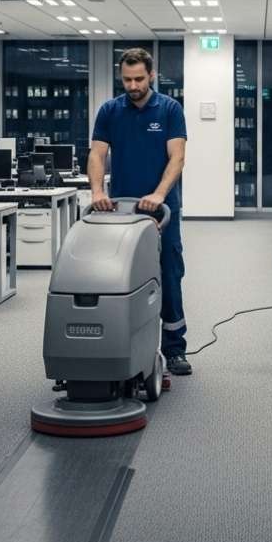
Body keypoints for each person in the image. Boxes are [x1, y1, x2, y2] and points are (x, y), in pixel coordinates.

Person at [87, 48, 192, 376]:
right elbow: (97, 154)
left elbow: (177, 157)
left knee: (169, 274)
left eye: (139, 79)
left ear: (152, 76)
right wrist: (97, 191)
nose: (133, 85)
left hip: (162, 211)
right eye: (127, 79)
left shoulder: (170, 109)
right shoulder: (109, 111)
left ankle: (175, 349)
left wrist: (159, 194)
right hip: (122, 211)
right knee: (121, 277)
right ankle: (122, 344)